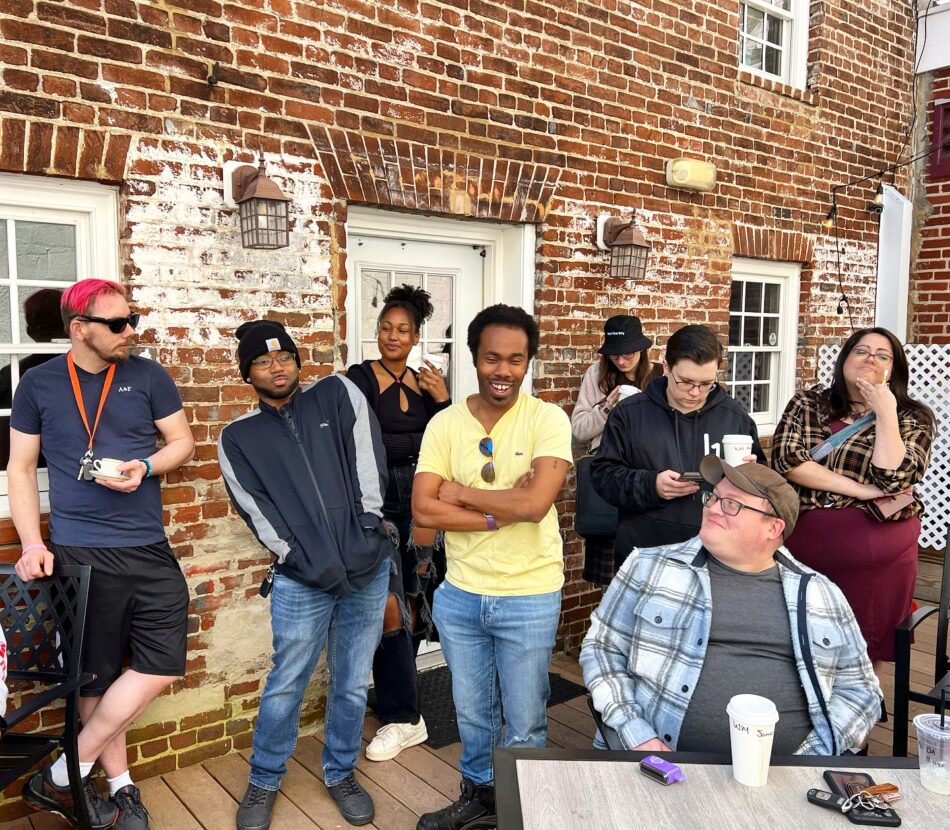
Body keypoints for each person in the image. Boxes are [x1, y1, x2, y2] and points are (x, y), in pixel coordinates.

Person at [10, 278, 195, 830]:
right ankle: (119, 788)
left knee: (158, 666)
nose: (129, 332)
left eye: (130, 319)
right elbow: (21, 470)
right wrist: (32, 543)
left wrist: (147, 467)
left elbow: (181, 442)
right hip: (79, 550)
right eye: (116, 324)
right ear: (79, 329)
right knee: (94, 679)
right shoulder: (38, 385)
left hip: (146, 545)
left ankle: (62, 776)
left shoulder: (147, 374)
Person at [580, 456, 882, 756]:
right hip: (659, 762)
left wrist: (813, 756)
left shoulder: (820, 594)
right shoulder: (648, 567)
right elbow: (602, 649)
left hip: (786, 781)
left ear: (773, 528)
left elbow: (861, 689)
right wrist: (635, 732)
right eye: (713, 497)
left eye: (732, 504)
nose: (712, 508)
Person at [218, 320, 393, 829]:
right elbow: (254, 509)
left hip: (366, 567)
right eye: (264, 362)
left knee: (352, 681)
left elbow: (369, 463)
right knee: (286, 682)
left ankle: (340, 773)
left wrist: (369, 532)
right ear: (247, 373)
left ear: (298, 361)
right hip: (300, 579)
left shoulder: (338, 394)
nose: (278, 367)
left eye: (285, 358)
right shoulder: (238, 437)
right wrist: (295, 556)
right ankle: (264, 781)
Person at [412, 304, 572, 830]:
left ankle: (526, 811)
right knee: (472, 714)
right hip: (460, 595)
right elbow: (422, 510)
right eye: (492, 358)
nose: (503, 371)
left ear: (528, 363)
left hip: (529, 593)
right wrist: (494, 512)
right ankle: (479, 794)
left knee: (526, 719)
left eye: (516, 360)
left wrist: (459, 493)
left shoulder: (548, 419)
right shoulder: (444, 424)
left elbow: (536, 506)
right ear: (475, 358)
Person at [770, 327, 934, 680]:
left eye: (882, 355)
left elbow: (893, 477)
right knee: (797, 637)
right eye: (861, 351)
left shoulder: (912, 417)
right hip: (806, 543)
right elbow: (787, 461)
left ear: (894, 369)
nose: (870, 358)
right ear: (845, 359)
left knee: (864, 640)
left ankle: (856, 712)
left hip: (876, 552)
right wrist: (859, 490)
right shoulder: (808, 403)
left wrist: (885, 412)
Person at [346, 284, 451, 762]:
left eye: (403, 330)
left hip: (423, 494)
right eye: (386, 328)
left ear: (415, 336)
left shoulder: (425, 382)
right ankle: (405, 715)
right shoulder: (359, 378)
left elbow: (448, 440)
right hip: (377, 498)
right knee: (387, 604)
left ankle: (399, 703)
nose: (393, 336)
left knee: (414, 597)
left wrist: (443, 399)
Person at [592, 324, 764, 559]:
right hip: (645, 552)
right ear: (666, 367)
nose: (695, 392)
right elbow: (603, 476)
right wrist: (651, 485)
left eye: (706, 384)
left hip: (716, 554)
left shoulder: (735, 417)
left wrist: (750, 475)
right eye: (686, 381)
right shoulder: (629, 413)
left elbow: (762, 488)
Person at [570, 314, 652, 585]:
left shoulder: (659, 377)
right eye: (614, 353)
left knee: (645, 570)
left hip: (645, 477)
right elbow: (579, 430)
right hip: (607, 475)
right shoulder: (597, 374)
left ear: (642, 349)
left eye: (627, 352)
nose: (621, 359)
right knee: (610, 580)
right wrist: (606, 408)